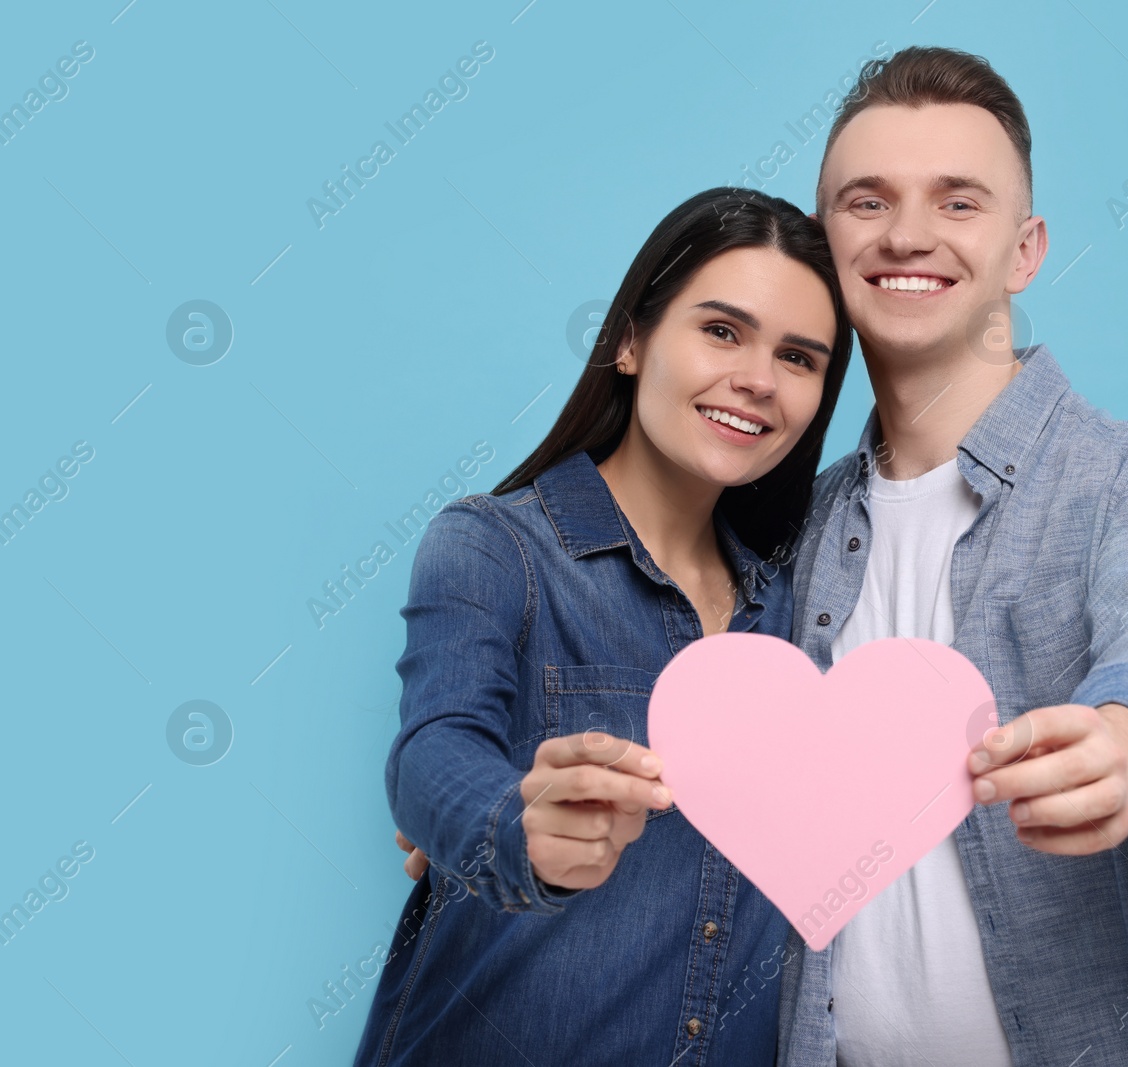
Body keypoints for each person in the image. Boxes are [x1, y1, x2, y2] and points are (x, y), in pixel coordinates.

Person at [769, 47, 1128, 1066]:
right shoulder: (787, 533)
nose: (907, 234)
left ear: (1024, 250)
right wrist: (486, 808)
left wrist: (1127, 742)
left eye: (957, 202)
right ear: (820, 245)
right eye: (867, 201)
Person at [352, 187, 853, 1066]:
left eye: (801, 357)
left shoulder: (797, 612)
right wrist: (514, 825)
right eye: (722, 331)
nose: (759, 380)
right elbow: (432, 750)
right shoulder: (496, 548)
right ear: (630, 340)